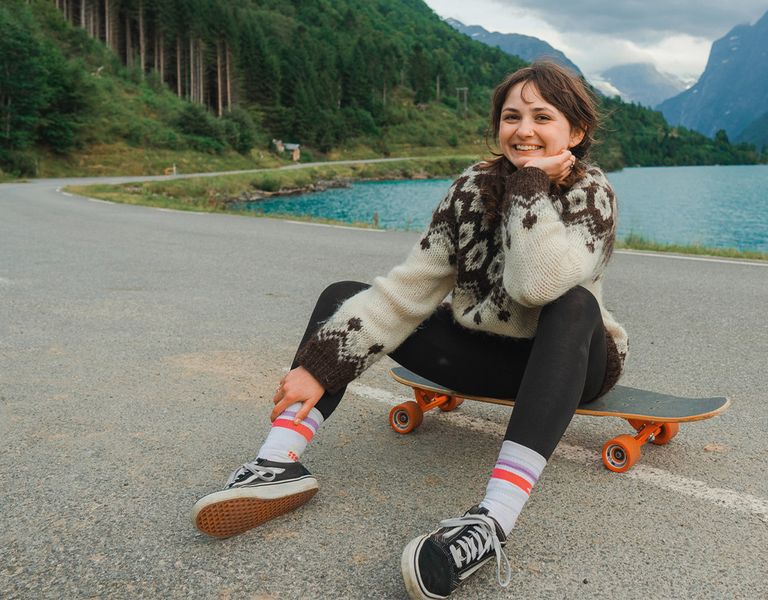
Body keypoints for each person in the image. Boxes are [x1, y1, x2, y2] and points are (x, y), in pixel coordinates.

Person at [191, 60, 628, 599]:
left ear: (576, 132)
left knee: (575, 304)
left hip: (572, 362)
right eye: (511, 116)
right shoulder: (470, 188)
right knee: (342, 297)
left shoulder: (593, 193)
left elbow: (537, 285)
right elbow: (409, 287)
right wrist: (321, 365)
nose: (523, 129)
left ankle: (491, 521)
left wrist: (530, 186)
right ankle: (276, 462)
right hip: (488, 354)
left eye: (543, 116)